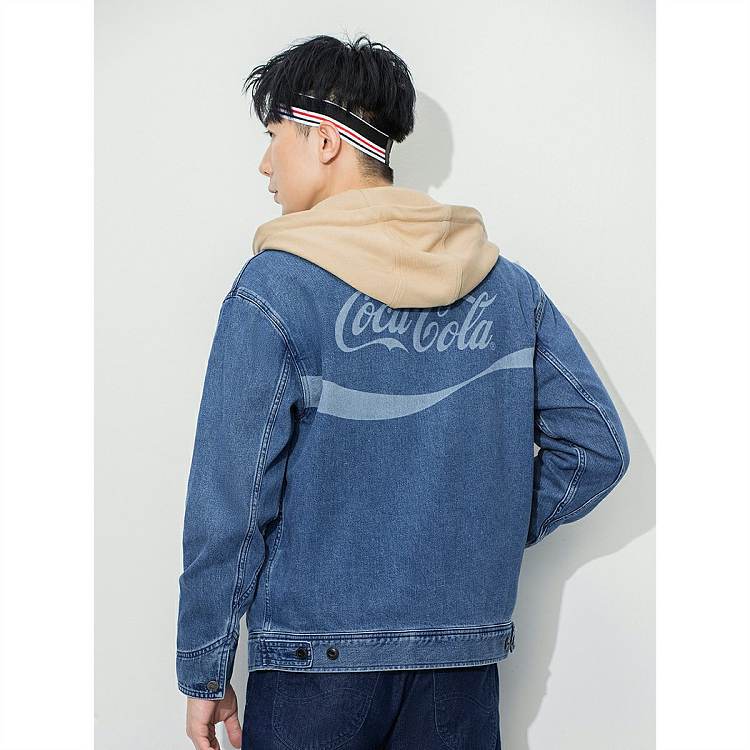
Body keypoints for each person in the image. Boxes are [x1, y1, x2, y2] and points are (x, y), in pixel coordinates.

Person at [175, 33, 631, 750]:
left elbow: (229, 499)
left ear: (325, 140)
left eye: (274, 135)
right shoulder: (507, 288)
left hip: (313, 667)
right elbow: (596, 448)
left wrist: (204, 670)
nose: (265, 163)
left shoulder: (276, 287)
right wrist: (473, 525)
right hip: (460, 668)